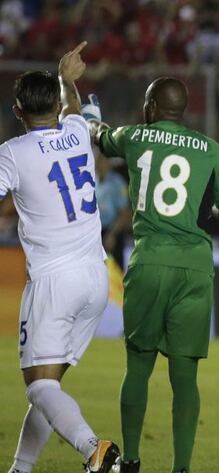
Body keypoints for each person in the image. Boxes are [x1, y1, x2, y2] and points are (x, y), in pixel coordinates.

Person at [93, 76, 219, 473]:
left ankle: (133, 460)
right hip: (194, 268)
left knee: (138, 367)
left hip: (150, 262)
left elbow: (103, 138)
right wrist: (206, 206)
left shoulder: (137, 136)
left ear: (154, 107)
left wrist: (88, 119)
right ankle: (181, 468)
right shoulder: (210, 150)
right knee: (184, 375)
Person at [2, 42, 120, 473]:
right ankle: (20, 468)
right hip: (94, 278)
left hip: (54, 281)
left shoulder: (12, 154)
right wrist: (66, 77)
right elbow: (76, 108)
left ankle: (94, 449)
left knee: (38, 388)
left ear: (17, 112)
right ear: (55, 104)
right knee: (48, 386)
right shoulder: (75, 131)